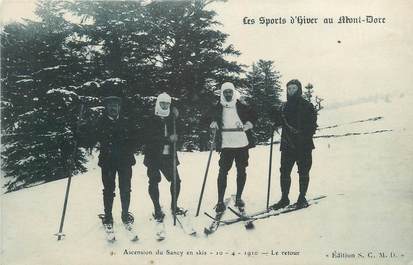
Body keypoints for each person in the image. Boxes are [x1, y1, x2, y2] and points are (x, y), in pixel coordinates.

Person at [78, 95, 139, 226]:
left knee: (126, 189)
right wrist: (81, 131)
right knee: (108, 189)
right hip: (108, 162)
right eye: (110, 106)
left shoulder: (126, 122)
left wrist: (129, 148)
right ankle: (108, 216)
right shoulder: (100, 123)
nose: (113, 108)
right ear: (106, 108)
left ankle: (125, 215)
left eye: (116, 106)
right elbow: (90, 139)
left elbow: (136, 140)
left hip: (125, 161)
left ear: (119, 107)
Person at [208, 82, 257, 212]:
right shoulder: (217, 107)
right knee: (223, 171)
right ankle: (220, 201)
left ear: (233, 92)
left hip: (241, 143)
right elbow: (206, 118)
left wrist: (249, 124)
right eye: (225, 92)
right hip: (226, 145)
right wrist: (212, 122)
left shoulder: (241, 106)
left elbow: (254, 115)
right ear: (222, 93)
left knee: (241, 170)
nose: (228, 94)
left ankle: (239, 197)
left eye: (230, 91)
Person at [269, 79, 317, 209]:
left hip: (304, 145)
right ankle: (284, 199)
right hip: (287, 145)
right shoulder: (284, 106)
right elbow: (279, 122)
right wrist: (274, 118)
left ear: (299, 89)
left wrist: (303, 137)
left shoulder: (307, 106)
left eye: (293, 88)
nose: (291, 91)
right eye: (289, 88)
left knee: (303, 171)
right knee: (284, 172)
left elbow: (312, 126)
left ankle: (302, 198)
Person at [143, 92, 185, 221]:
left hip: (169, 156)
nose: (165, 105)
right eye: (162, 103)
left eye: (167, 103)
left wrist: (177, 136)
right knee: (154, 181)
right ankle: (157, 208)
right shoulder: (150, 117)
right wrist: (167, 139)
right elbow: (148, 137)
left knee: (176, 181)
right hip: (153, 156)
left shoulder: (172, 117)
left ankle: (174, 205)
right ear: (158, 103)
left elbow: (180, 134)